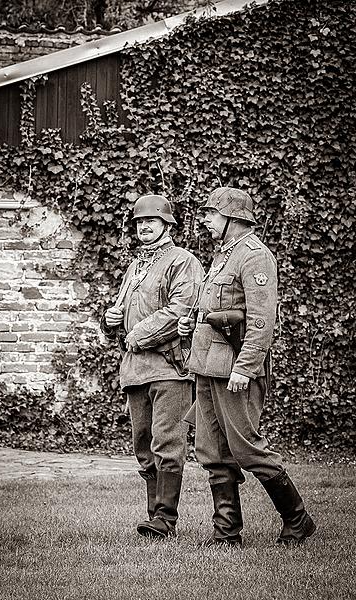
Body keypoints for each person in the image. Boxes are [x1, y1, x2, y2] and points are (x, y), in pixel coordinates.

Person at [178, 186, 316, 548]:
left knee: (247, 448)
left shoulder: (255, 256)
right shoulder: (224, 255)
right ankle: (226, 532)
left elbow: (261, 320)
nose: (205, 221)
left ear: (233, 218)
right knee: (211, 450)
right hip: (207, 366)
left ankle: (298, 519)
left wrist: (246, 366)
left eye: (211, 214)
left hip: (235, 369)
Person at [101, 194, 204, 539]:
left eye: (151, 221)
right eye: (140, 222)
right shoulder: (134, 267)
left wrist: (137, 335)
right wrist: (110, 319)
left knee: (167, 444)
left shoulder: (183, 262)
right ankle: (153, 517)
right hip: (135, 371)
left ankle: (165, 519)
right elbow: (122, 312)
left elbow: (181, 312)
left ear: (167, 225)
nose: (144, 227)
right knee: (143, 445)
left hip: (169, 369)